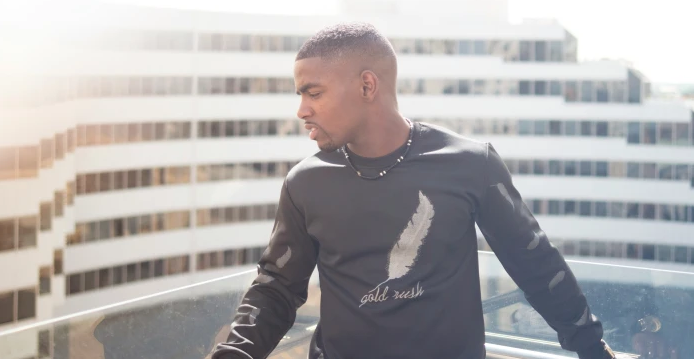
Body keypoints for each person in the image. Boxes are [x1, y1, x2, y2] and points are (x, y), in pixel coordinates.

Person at [212, 22, 616, 359]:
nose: (301, 110)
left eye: (313, 93)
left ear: (368, 86)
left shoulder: (470, 164)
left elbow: (536, 265)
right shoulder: (305, 182)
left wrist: (593, 349)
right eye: (300, 95)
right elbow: (276, 290)